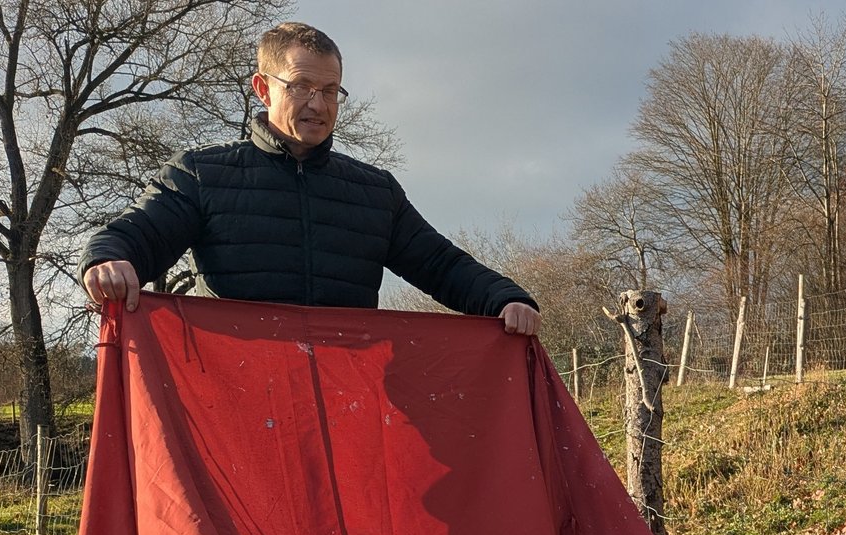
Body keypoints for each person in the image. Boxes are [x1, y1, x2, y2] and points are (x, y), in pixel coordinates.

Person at [80, 22, 540, 337]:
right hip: (240, 405)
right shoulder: (202, 174)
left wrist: (505, 299)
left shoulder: (375, 192)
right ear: (263, 88)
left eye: (329, 90)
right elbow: (135, 235)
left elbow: (441, 265)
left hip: (349, 401)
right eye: (301, 86)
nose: (318, 104)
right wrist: (108, 260)